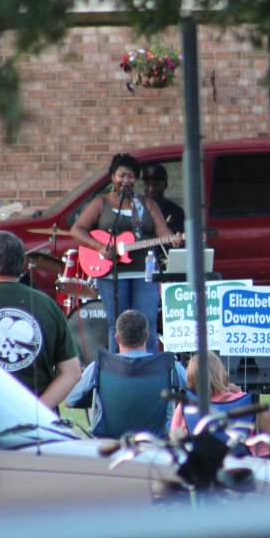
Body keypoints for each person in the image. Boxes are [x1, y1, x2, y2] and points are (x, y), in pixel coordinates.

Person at [71, 153, 183, 353]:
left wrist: (172, 238)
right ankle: (117, 371)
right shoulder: (101, 203)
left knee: (146, 323)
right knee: (117, 325)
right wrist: (100, 247)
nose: (126, 180)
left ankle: (147, 369)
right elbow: (77, 229)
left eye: (131, 176)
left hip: (145, 272)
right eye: (122, 175)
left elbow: (162, 231)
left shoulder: (146, 203)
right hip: (111, 273)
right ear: (112, 176)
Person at [0, 230, 81, 408]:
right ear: (22, 265)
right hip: (36, 430)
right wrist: (35, 412)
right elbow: (72, 372)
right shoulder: (49, 305)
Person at [65, 309, 188, 428]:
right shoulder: (171, 366)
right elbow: (194, 394)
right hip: (158, 444)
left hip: (108, 443)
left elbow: (70, 401)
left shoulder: (98, 366)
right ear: (147, 336)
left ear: (117, 338)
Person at [170, 351, 270, 453]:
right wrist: (241, 395)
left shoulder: (185, 408)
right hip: (244, 469)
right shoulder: (243, 403)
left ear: (190, 378)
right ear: (221, 373)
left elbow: (175, 443)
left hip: (204, 473)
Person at [141, 163, 186, 234]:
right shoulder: (136, 209)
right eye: (147, 184)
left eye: (156, 185)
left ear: (165, 185)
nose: (151, 189)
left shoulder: (176, 212)